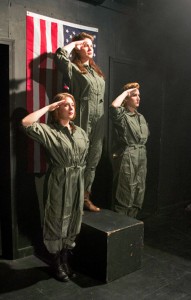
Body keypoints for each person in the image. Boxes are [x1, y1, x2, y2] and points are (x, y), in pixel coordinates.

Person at [21, 93, 89, 282]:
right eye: (65, 105)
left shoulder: (81, 132)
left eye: (72, 104)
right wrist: (48, 108)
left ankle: (66, 259)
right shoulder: (49, 131)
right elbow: (26, 123)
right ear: (57, 109)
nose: (70, 107)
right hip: (59, 180)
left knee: (75, 217)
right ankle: (56, 262)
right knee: (56, 219)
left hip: (77, 180)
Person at [55, 32, 105, 212]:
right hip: (83, 116)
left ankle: (85, 197)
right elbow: (59, 56)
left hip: (98, 121)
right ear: (77, 48)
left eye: (91, 45)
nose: (90, 47)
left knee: (93, 160)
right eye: (85, 45)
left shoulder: (96, 71)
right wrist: (75, 43)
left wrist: (83, 43)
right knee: (78, 159)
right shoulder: (74, 69)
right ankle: (73, 201)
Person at [109, 82, 149, 219]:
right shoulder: (123, 116)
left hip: (141, 155)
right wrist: (126, 92)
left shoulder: (141, 117)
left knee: (139, 192)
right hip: (128, 155)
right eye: (134, 95)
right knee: (125, 192)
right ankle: (120, 227)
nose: (138, 98)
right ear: (127, 98)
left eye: (139, 95)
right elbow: (114, 107)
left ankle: (131, 225)